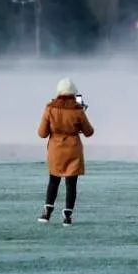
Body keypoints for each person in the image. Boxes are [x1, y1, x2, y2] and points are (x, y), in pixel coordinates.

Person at [36, 78, 95, 226]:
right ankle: (67, 216)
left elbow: (42, 133)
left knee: (53, 181)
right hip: (73, 149)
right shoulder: (77, 110)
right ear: (74, 94)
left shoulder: (50, 108)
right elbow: (89, 132)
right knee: (71, 184)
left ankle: (46, 212)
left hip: (56, 149)